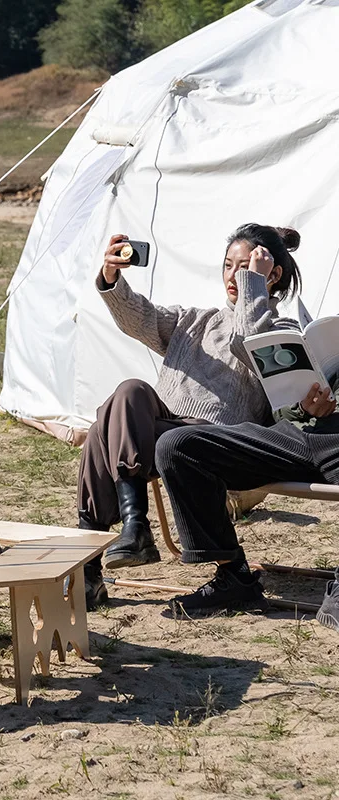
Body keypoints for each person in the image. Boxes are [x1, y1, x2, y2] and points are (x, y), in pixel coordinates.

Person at [79, 224, 302, 610]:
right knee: (130, 391)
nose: (233, 276)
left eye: (244, 267)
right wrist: (112, 277)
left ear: (271, 275)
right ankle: (132, 529)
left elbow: (248, 341)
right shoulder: (194, 321)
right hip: (159, 433)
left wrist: (254, 287)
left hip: (214, 443)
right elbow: (141, 319)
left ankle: (90, 570)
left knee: (104, 429)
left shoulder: (281, 332)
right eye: (228, 266)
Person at [155, 378, 339, 625]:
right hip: (297, 433)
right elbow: (275, 411)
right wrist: (301, 408)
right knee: (177, 446)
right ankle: (235, 578)